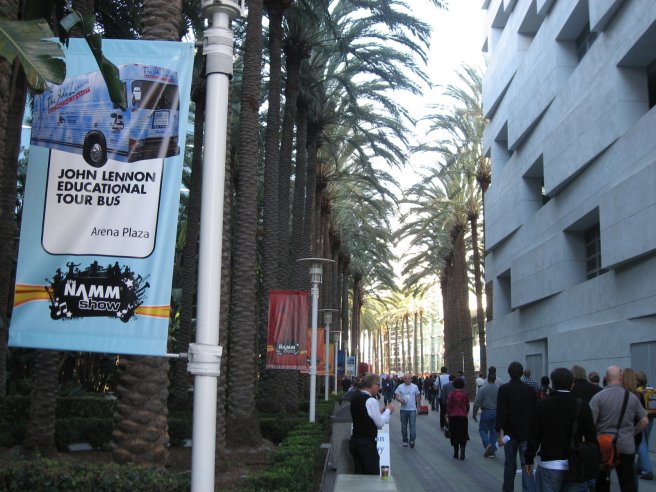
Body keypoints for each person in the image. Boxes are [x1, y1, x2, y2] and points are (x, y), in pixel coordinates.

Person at [524, 367, 597, 492]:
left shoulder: (543, 405)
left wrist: (529, 458)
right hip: (574, 463)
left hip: (549, 462)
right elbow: (591, 436)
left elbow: (534, 434)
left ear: (553, 383)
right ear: (572, 384)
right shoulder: (581, 405)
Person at [589, 366, 648, 492]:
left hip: (604, 445)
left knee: (602, 483)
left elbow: (590, 424)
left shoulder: (598, 397)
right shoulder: (632, 397)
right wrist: (632, 432)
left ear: (605, 378)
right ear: (621, 378)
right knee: (627, 483)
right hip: (626, 445)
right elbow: (644, 420)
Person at [497, 361, 538, 492]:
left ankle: (508, 489)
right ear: (521, 373)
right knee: (527, 463)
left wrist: (500, 431)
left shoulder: (504, 389)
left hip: (510, 433)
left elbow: (501, 411)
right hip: (526, 432)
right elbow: (534, 411)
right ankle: (529, 489)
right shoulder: (530, 390)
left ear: (509, 373)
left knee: (510, 464)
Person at [348, 373, 395, 474]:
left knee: (359, 475)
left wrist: (380, 411)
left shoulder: (355, 398)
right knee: (372, 476)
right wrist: (388, 410)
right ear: (373, 385)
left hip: (355, 441)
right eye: (378, 385)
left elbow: (365, 415)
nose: (379, 388)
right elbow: (380, 423)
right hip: (367, 444)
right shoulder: (371, 400)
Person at [473, 369, 500, 458]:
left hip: (486, 411)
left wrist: (474, 413)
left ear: (487, 379)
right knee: (494, 432)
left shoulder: (483, 389)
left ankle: (487, 444)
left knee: (483, 430)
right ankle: (492, 451)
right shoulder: (498, 389)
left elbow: (477, 402)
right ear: (495, 379)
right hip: (496, 412)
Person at [394, 373, 421, 448]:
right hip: (403, 410)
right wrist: (401, 400)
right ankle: (405, 440)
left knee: (412, 425)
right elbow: (396, 396)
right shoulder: (400, 386)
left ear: (411, 379)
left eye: (409, 378)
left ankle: (412, 440)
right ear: (403, 379)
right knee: (404, 426)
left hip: (412, 409)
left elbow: (418, 397)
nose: (407, 380)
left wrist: (419, 407)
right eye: (405, 378)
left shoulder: (415, 387)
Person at [636, 371, 654, 481]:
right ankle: (640, 466)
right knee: (645, 443)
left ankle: (647, 470)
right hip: (651, 418)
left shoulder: (637, 392)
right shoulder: (650, 389)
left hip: (641, 419)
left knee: (641, 445)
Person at [447, 377, 470, 460]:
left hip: (453, 416)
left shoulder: (451, 394)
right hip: (462, 416)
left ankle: (456, 452)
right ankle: (463, 448)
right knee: (463, 433)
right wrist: (466, 412)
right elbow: (467, 405)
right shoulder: (465, 394)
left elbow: (449, 405)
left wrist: (448, 415)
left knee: (454, 433)